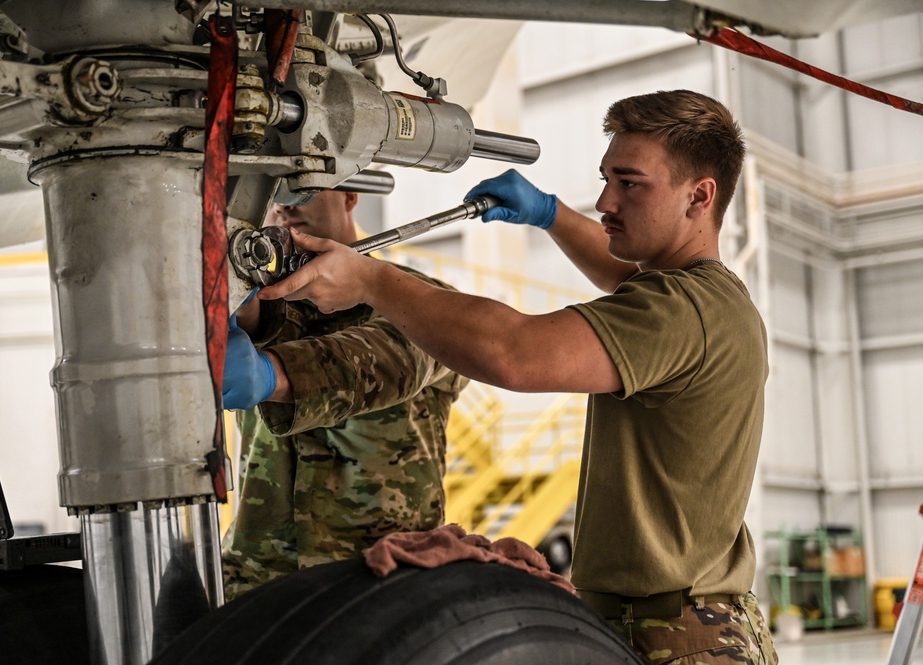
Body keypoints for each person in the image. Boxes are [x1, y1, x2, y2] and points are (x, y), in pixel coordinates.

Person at [256, 90, 779, 664]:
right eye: (606, 178)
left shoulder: (679, 312)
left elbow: (513, 352)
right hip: (674, 619)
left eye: (630, 183)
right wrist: (550, 214)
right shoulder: (703, 295)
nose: (606, 201)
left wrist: (372, 283)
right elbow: (623, 274)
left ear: (699, 196)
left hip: (677, 638)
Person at [220, 189, 469, 599]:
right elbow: (264, 321)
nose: (284, 205)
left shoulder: (420, 302)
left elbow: (390, 359)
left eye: (302, 188)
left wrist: (273, 375)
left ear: (350, 196)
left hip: (380, 580)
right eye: (271, 189)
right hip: (260, 580)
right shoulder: (270, 305)